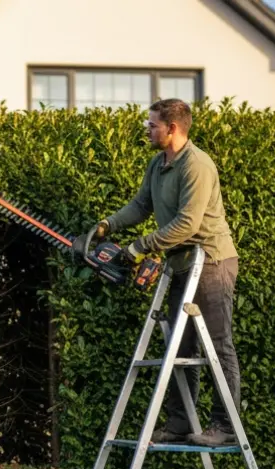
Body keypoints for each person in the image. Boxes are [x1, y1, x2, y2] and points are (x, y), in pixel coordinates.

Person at [77, 98, 241, 447]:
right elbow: (141, 205)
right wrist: (106, 227)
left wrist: (138, 248)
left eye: (152, 125)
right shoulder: (158, 164)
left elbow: (187, 223)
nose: (147, 129)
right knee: (179, 346)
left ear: (173, 128)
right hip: (182, 263)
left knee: (218, 345)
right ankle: (180, 422)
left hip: (210, 260)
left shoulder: (196, 165)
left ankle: (225, 424)